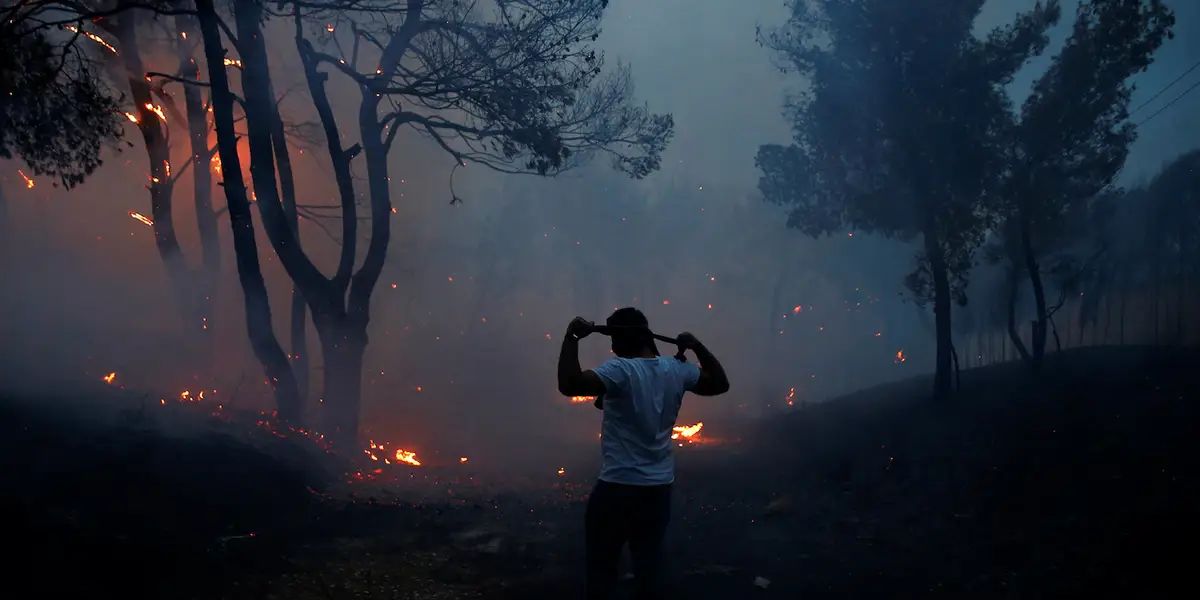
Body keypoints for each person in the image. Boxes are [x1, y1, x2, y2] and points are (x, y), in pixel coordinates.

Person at [557, 307, 730, 599]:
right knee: (648, 570)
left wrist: (572, 337)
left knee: (602, 571)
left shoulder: (620, 370)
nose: (613, 347)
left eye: (614, 339)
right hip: (657, 490)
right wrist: (697, 346)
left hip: (617, 488)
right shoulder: (676, 369)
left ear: (625, 339)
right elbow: (720, 383)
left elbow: (569, 384)